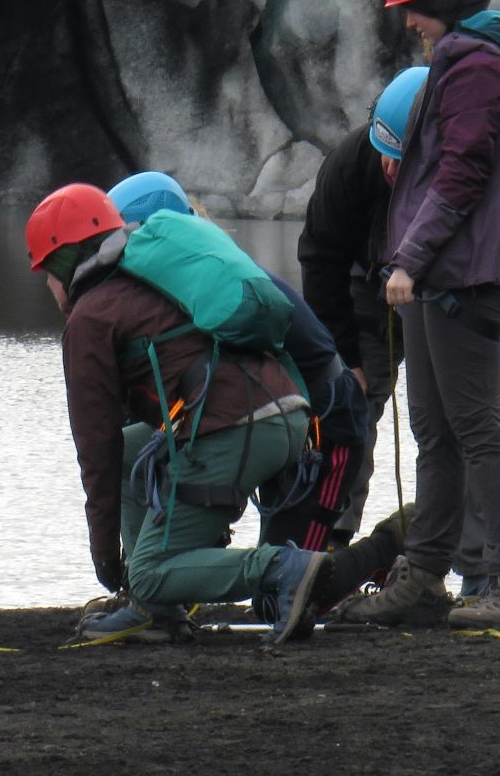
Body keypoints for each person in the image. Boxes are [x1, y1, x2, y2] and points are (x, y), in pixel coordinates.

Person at [334, 0, 500, 628]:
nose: (406, 21)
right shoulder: (462, 58)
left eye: (413, 5)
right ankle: (425, 577)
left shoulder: (478, 66)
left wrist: (410, 260)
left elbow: (459, 175)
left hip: (464, 274)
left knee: (477, 428)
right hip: (442, 276)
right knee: (435, 428)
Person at [28, 182, 331, 647]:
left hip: (233, 428)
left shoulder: (90, 318)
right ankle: (152, 608)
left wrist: (107, 558)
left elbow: (96, 450)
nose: (48, 285)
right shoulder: (151, 277)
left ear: (66, 262)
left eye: (47, 271)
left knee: (149, 573)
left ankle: (278, 569)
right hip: (287, 416)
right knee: (134, 449)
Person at [299, 66, 500, 596]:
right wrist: (344, 356)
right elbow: (320, 257)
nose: (389, 169)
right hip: (369, 287)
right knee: (348, 407)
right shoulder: (356, 162)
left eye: (402, 159)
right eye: (385, 155)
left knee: (484, 416)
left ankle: (485, 573)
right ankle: (325, 553)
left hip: (463, 286)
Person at [106, 172, 406, 615]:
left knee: (282, 601)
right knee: (135, 454)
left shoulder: (216, 285)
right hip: (273, 422)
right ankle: (151, 592)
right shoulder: (203, 273)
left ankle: (390, 544)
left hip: (328, 431)